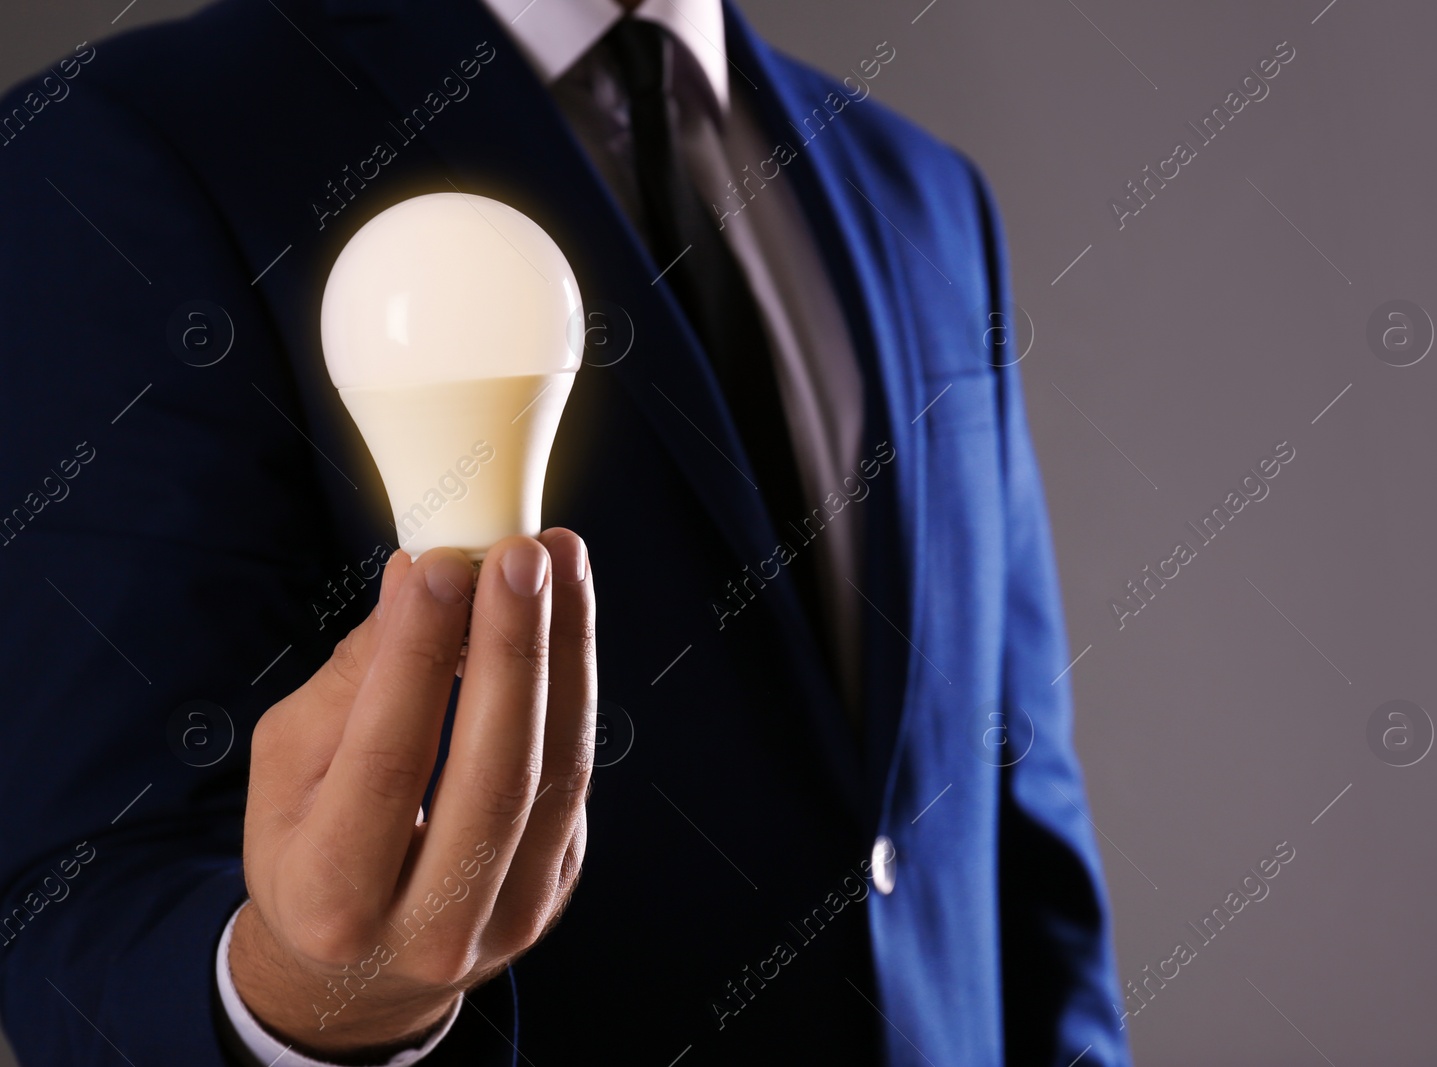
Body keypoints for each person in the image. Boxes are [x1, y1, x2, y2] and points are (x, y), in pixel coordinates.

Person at [0, 0, 1127, 1062]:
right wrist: (310, 1001)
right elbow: (87, 895)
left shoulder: (924, 192)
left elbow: (1015, 815)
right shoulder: (125, 147)